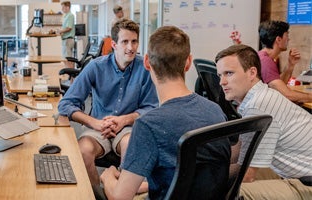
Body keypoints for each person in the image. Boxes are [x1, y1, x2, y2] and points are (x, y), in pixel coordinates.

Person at [100, 26, 231, 200]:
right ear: (188, 62)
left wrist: (107, 176)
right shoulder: (215, 111)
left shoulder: (149, 124)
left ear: (147, 62)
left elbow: (120, 198)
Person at [58, 19, 158, 189]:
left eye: (134, 41)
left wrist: (124, 120)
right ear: (114, 44)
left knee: (130, 146)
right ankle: (98, 193)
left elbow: (152, 108)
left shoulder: (145, 68)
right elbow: (66, 104)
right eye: (125, 42)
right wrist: (94, 122)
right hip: (98, 126)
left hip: (128, 128)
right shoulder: (96, 67)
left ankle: (120, 192)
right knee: (83, 151)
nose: (130, 47)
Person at [215, 44, 312, 197]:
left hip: (305, 183)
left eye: (229, 73)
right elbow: (241, 149)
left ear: (252, 72)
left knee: (235, 192)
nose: (222, 82)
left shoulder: (258, 106)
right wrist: (208, 162)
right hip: (297, 173)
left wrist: (204, 176)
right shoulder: (259, 97)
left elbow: (248, 175)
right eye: (220, 75)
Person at [258, 20, 312, 103]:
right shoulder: (265, 61)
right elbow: (287, 94)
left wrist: (290, 65)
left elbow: (279, 86)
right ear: (278, 39)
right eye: (287, 35)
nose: (288, 39)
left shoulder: (264, 57)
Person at [58, 1, 75, 68]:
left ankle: (71, 76)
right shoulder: (66, 16)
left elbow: (69, 28)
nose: (62, 9)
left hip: (68, 39)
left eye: (63, 7)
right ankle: (70, 75)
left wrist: (61, 31)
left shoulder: (70, 15)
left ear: (67, 7)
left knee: (68, 59)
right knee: (65, 59)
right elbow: (66, 27)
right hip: (65, 39)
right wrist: (60, 31)